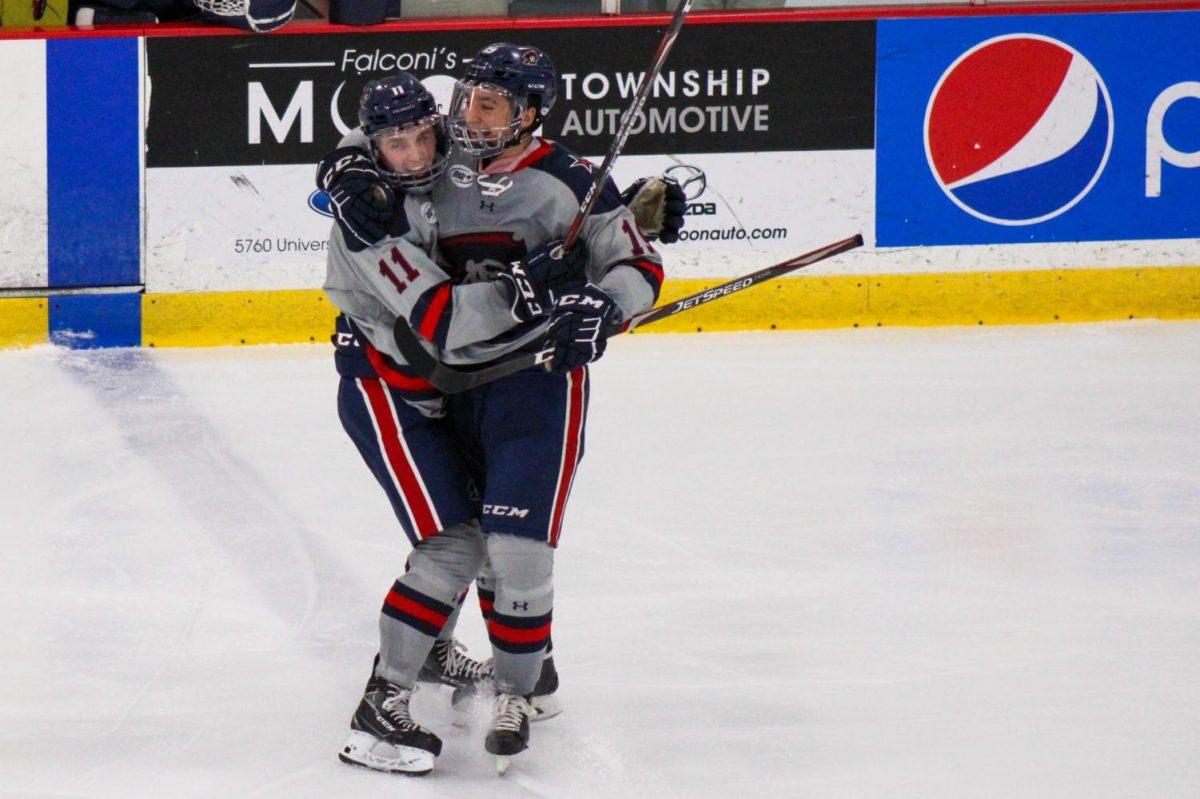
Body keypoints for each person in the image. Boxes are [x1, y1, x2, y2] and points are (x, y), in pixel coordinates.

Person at [321, 46, 676, 775]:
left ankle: (485, 665)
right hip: (394, 377)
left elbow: (633, 264)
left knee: (493, 533)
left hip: (472, 379)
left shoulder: (555, 178)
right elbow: (445, 319)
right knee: (453, 544)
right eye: (468, 100)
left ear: (529, 114)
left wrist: (604, 303)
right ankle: (381, 703)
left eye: (489, 105)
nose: (458, 121)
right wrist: (342, 164)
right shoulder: (376, 204)